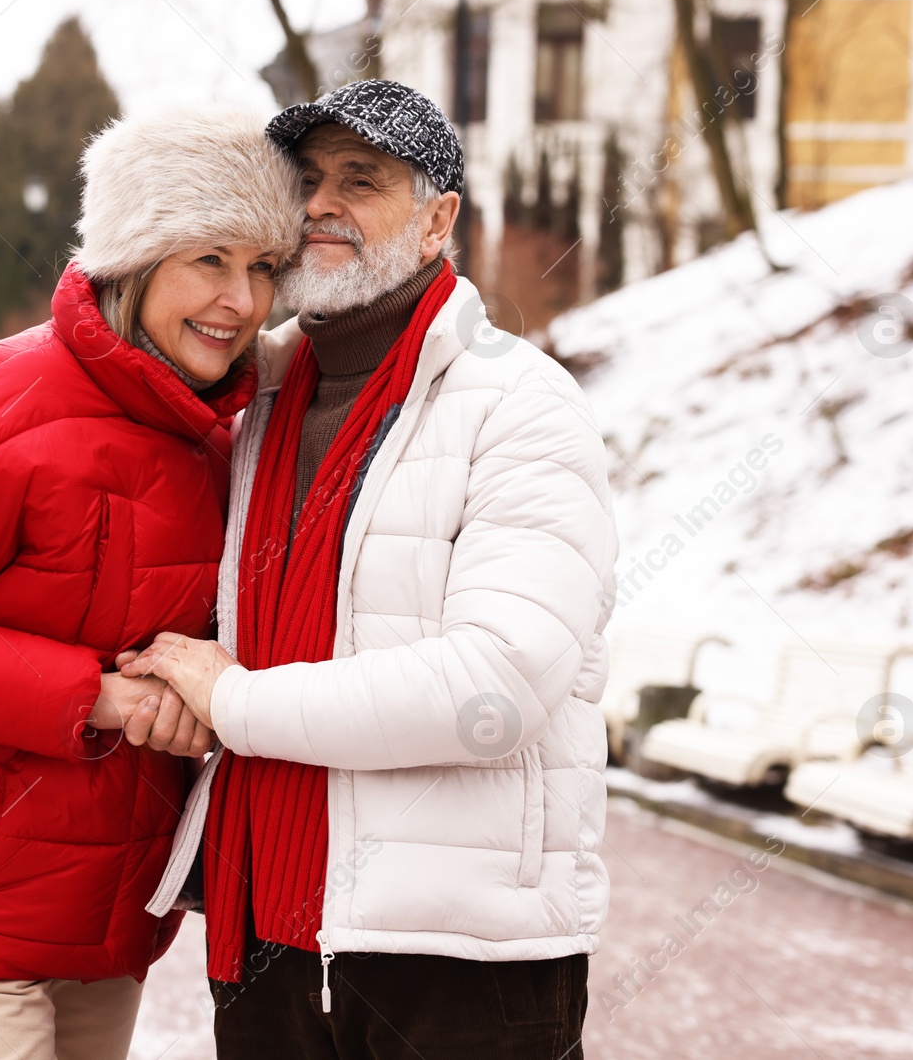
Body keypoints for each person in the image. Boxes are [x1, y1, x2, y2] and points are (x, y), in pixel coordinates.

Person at [122, 79, 620, 1058]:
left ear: (438, 220)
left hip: (458, 966)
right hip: (264, 938)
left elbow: (496, 685)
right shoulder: (246, 396)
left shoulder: (517, 404)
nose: (318, 205)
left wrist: (236, 700)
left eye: (362, 180)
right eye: (302, 180)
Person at [0, 104, 303, 1060]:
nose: (240, 300)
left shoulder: (220, 437)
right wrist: (103, 697)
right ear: (132, 256)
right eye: (209, 258)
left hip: (103, 917)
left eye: (264, 267)